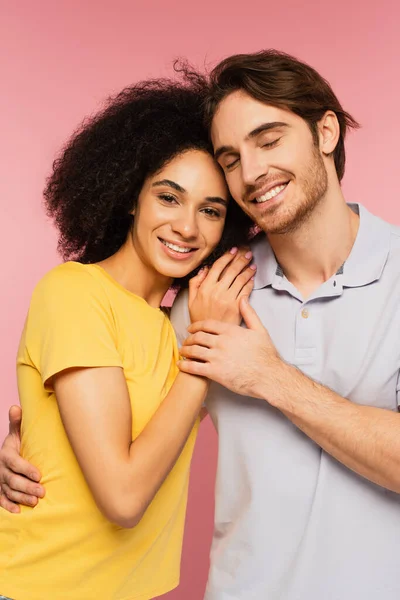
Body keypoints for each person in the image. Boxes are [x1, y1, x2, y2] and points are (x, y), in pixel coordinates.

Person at [3, 49, 400, 600]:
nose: (253, 171)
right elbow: (122, 459)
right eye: (231, 157)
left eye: (269, 139)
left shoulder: (212, 296)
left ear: (326, 131)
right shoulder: (203, 301)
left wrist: (269, 376)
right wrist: (28, 456)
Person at [0, 74, 255, 600]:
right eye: (169, 197)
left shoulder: (177, 325)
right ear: (131, 196)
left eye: (211, 210)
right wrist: (205, 347)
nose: (188, 227)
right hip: (38, 585)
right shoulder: (73, 292)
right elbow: (121, 497)